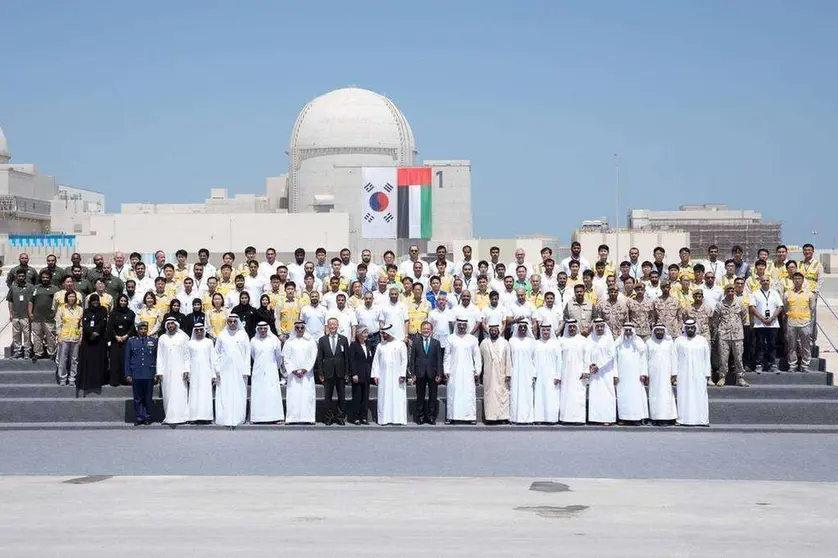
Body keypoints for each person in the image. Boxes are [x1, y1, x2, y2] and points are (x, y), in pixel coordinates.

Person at [443, 318, 482, 424]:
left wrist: (477, 371)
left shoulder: (472, 339)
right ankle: (451, 416)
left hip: (468, 371)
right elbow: (447, 355)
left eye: (464, 325)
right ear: (457, 325)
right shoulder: (450, 338)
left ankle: (471, 417)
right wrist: (446, 369)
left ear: (467, 326)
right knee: (453, 394)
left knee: (468, 393)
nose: (462, 327)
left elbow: (477, 356)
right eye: (460, 325)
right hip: (454, 371)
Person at [215, 314, 251, 427]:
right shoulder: (222, 335)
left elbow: (247, 354)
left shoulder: (243, 335)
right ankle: (223, 418)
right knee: (224, 393)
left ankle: (239, 417)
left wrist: (246, 370)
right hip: (224, 370)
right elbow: (216, 353)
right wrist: (217, 369)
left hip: (240, 370)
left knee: (239, 392)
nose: (232, 324)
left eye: (234, 321)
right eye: (230, 321)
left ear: (238, 322)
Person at [315, 317, 351, 425]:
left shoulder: (344, 339)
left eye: (334, 324)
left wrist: (347, 373)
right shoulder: (322, 340)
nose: (332, 327)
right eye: (330, 325)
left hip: (340, 372)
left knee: (341, 397)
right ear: (327, 326)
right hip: (327, 372)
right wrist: (320, 373)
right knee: (328, 397)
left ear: (338, 326)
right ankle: (328, 418)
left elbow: (346, 358)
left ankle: (340, 418)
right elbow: (319, 358)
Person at [675, 319, 711, 426]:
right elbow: (674, 358)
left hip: (699, 373)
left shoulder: (702, 340)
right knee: (683, 396)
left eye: (692, 327)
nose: (690, 329)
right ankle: (682, 419)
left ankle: (702, 420)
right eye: (688, 328)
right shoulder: (679, 341)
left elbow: (706, 358)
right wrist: (674, 374)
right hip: (683, 374)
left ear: (695, 328)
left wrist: (707, 373)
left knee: (700, 396)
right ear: (685, 328)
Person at [371, 325, 408, 426]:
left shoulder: (401, 344)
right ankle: (384, 419)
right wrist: (376, 375)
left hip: (397, 377)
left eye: (385, 333)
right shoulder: (380, 345)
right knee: (384, 397)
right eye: (382, 333)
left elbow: (404, 361)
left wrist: (402, 375)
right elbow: (376, 361)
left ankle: (398, 419)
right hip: (383, 377)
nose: (383, 335)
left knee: (398, 396)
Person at [155, 317, 190, 425]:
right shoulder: (162, 338)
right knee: (168, 393)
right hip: (166, 371)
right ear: (166, 326)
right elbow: (159, 356)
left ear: (176, 325)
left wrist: (186, 369)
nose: (170, 326)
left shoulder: (183, 338)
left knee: (180, 393)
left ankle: (182, 417)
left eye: (172, 324)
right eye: (168, 324)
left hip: (180, 371)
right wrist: (159, 372)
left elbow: (187, 355)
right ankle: (169, 417)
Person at [283, 321, 318, 424]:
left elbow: (313, 357)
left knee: (307, 396)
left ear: (305, 329)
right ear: (294, 329)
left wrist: (305, 369)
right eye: (297, 328)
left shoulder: (310, 341)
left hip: (307, 375)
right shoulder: (289, 342)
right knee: (293, 396)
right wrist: (293, 370)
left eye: (302, 328)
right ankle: (291, 418)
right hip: (293, 375)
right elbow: (286, 358)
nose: (299, 330)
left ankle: (309, 418)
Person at [713, 285, 749, 387]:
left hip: (737, 335)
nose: (730, 292)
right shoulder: (720, 305)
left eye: (732, 290)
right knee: (723, 358)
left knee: (738, 357)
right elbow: (715, 320)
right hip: (724, 335)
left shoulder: (739, 304)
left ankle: (740, 378)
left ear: (734, 292)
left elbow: (744, 317)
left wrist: (737, 327)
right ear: (725, 292)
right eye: (728, 290)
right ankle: (722, 377)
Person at [250, 321, 285, 424]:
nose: (263, 331)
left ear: (268, 329)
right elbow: (253, 355)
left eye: (265, 329)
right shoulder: (253, 340)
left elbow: (279, 356)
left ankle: (275, 417)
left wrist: (275, 367)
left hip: (271, 370)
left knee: (272, 393)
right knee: (259, 393)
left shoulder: (274, 340)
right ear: (257, 329)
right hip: (258, 370)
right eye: (260, 329)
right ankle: (257, 418)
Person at [124, 322, 158, 425]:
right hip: (136, 373)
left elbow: (157, 358)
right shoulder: (131, 342)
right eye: (141, 329)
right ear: (138, 330)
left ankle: (147, 417)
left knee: (148, 397)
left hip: (149, 373)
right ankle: (139, 417)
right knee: (137, 398)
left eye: (144, 329)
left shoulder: (153, 341)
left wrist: (157, 372)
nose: (143, 331)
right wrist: (128, 374)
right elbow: (127, 359)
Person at [615, 322, 649, 425]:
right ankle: (624, 418)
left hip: (635, 375)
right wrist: (615, 375)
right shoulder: (618, 342)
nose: (628, 332)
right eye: (626, 330)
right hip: (622, 375)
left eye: (630, 330)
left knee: (636, 396)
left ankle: (636, 418)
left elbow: (643, 359)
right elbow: (614, 360)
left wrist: (643, 373)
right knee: (623, 396)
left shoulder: (639, 343)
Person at [410, 321, 443, 424]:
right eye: (424, 329)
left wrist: (439, 373)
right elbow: (412, 359)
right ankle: (420, 416)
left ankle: (431, 416)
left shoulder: (436, 343)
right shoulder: (416, 342)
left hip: (432, 373)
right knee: (420, 396)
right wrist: (412, 374)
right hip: (420, 372)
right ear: (421, 330)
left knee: (433, 396)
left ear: (431, 330)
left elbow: (439, 359)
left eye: (428, 329)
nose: (426, 330)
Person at [480, 317, 512, 423]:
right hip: (489, 375)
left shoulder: (505, 343)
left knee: (503, 395)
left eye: (495, 330)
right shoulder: (484, 343)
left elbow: (508, 359)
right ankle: (490, 418)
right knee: (490, 396)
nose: (493, 332)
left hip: (502, 375)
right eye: (492, 330)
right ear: (489, 331)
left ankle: (502, 417)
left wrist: (508, 373)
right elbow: (480, 360)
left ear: (498, 331)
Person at [749, 276, 783, 372]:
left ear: (770, 282)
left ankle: (772, 364)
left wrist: (772, 318)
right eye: (763, 280)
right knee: (759, 344)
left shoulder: (774, 293)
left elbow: (780, 306)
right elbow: (752, 307)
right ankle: (758, 364)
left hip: (773, 324)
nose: (765, 282)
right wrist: (762, 318)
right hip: (759, 324)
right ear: (760, 282)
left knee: (772, 344)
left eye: (767, 280)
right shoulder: (755, 293)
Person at [185, 322, 217, 423]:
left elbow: (213, 358)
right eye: (197, 330)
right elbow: (186, 359)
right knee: (194, 394)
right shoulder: (189, 343)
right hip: (194, 372)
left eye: (201, 330)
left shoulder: (209, 342)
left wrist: (213, 374)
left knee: (205, 394)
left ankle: (206, 417)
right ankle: (193, 417)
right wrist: (187, 371)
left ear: (203, 331)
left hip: (206, 372)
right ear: (194, 331)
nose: (199, 332)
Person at [76, 293, 109, 392]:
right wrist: (90, 332)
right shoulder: (86, 311)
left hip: (99, 339)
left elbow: (103, 322)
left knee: (99, 360)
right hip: (88, 339)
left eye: (97, 300)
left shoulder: (103, 309)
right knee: (89, 360)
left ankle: (99, 380)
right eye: (93, 300)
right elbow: (85, 323)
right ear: (90, 302)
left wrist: (96, 332)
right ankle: (88, 379)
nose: (95, 302)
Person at [646, 324, 678, 425]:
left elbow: (674, 359)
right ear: (654, 331)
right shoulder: (649, 343)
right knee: (654, 395)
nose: (659, 332)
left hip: (666, 374)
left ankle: (668, 417)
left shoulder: (669, 343)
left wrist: (674, 374)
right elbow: (645, 359)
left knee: (666, 395)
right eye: (657, 330)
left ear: (664, 331)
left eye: (661, 330)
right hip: (653, 374)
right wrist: (646, 374)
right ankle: (655, 418)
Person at [784, 271, 816, 372]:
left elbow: (812, 310)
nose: (797, 281)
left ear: (803, 280)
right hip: (791, 323)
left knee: (805, 345)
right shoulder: (787, 293)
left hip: (805, 323)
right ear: (792, 280)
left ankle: (805, 365)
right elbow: (785, 309)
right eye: (795, 279)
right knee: (791, 345)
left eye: (799, 279)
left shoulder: (810, 294)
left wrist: (810, 325)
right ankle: (792, 365)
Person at [587, 319, 617, 425]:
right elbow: (586, 353)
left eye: (601, 326)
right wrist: (590, 365)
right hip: (594, 373)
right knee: (595, 394)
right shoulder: (590, 338)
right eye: (597, 327)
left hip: (606, 371)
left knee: (607, 393)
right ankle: (595, 418)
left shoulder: (608, 339)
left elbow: (611, 355)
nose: (599, 329)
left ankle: (607, 418)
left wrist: (599, 365)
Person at [559, 319, 589, 424]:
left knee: (578, 394)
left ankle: (578, 419)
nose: (572, 329)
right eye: (570, 327)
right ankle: (565, 418)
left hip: (579, 373)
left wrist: (585, 371)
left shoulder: (583, 340)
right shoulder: (562, 341)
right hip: (566, 373)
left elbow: (587, 357)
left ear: (576, 327)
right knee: (566, 395)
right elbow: (558, 359)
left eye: (573, 327)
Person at [507, 322, 537, 424]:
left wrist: (534, 373)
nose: (522, 329)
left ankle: (528, 418)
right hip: (515, 372)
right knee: (515, 394)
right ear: (517, 329)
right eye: (520, 327)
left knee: (527, 395)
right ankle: (514, 418)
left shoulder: (532, 342)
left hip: (528, 373)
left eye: (525, 328)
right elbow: (509, 358)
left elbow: (535, 359)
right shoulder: (511, 341)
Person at [533, 324, 562, 424]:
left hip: (552, 375)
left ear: (550, 331)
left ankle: (551, 419)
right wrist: (534, 375)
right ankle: (539, 418)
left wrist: (558, 375)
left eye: (547, 330)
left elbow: (559, 361)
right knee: (539, 396)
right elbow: (533, 361)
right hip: (539, 375)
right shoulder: (536, 343)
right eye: (544, 330)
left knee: (551, 397)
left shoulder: (555, 343)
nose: (545, 332)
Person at [106, 294, 136, 387]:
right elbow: (110, 326)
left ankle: (125, 379)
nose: (123, 302)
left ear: (127, 302)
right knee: (115, 360)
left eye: (125, 301)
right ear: (118, 301)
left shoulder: (131, 313)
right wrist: (116, 336)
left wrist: (126, 336)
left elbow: (132, 327)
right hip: (116, 340)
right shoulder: (113, 312)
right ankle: (115, 380)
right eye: (121, 301)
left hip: (126, 340)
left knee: (125, 359)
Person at [29, 270, 59, 362]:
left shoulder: (55, 289)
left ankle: (51, 353)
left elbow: (58, 303)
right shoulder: (35, 288)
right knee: (37, 336)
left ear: (50, 278)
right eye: (43, 277)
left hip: (49, 318)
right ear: (40, 278)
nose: (45, 279)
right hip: (36, 317)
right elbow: (30, 301)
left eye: (47, 277)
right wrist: (30, 313)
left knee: (50, 336)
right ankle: (38, 353)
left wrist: (55, 315)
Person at [55, 291, 83, 386]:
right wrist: (58, 336)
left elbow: (81, 325)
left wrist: (81, 337)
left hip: (75, 337)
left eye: (73, 297)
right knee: (63, 359)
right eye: (70, 297)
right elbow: (58, 324)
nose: (72, 298)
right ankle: (62, 378)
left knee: (74, 359)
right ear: (67, 298)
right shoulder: (61, 308)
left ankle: (72, 378)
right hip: (64, 337)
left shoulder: (80, 309)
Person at [349, 328, 374, 425]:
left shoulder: (368, 345)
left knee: (365, 397)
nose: (366, 334)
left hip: (366, 374)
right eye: (364, 332)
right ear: (359, 334)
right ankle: (356, 417)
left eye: (367, 332)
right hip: (358, 374)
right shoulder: (354, 345)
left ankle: (364, 417)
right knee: (357, 396)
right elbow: (352, 360)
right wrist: (354, 373)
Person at [7, 269, 33, 359]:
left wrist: (31, 313)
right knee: (16, 334)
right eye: (19, 276)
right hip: (15, 315)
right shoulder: (13, 287)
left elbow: (32, 301)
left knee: (27, 334)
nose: (21, 277)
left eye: (22, 276)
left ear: (25, 276)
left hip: (25, 315)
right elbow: (10, 301)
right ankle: (17, 351)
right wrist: (10, 313)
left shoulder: (30, 287)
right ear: (16, 277)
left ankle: (27, 352)